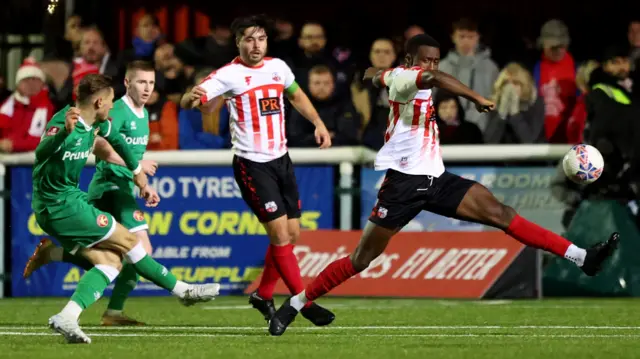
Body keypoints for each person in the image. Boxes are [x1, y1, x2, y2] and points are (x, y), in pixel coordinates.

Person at [267, 34, 620, 336]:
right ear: (411, 60)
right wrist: (476, 98)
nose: (432, 67)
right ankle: (297, 303)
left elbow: (375, 75)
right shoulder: (409, 78)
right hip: (402, 186)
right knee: (362, 258)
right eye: (427, 61)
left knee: (501, 212)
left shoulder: (399, 75)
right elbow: (428, 81)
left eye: (436, 61)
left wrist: (374, 75)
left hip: (437, 179)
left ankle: (582, 257)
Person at [31, 74, 220, 344]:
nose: (112, 107)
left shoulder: (96, 122)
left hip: (68, 201)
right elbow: (41, 153)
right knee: (130, 241)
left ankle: (67, 315)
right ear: (98, 102)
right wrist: (63, 133)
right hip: (58, 204)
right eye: (109, 102)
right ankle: (182, 291)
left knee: (110, 262)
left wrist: (137, 171)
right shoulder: (64, 121)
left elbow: (117, 142)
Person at [180, 15, 335, 326]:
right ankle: (303, 302)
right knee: (279, 235)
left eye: (261, 39)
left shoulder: (278, 68)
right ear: (238, 42)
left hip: (281, 160)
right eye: (249, 39)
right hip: (252, 164)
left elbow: (297, 95)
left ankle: (263, 294)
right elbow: (191, 99)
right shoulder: (228, 75)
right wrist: (189, 98)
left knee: (290, 235)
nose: (255, 45)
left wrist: (318, 123)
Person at [23, 61, 162, 326]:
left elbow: (116, 142)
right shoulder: (113, 111)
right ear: (127, 84)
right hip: (102, 189)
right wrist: (135, 167)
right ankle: (180, 291)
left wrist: (139, 177)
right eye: (141, 82)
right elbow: (98, 145)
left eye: (151, 83)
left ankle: (61, 263)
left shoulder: (140, 115)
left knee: (112, 257)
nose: (147, 88)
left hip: (111, 189)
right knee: (135, 249)